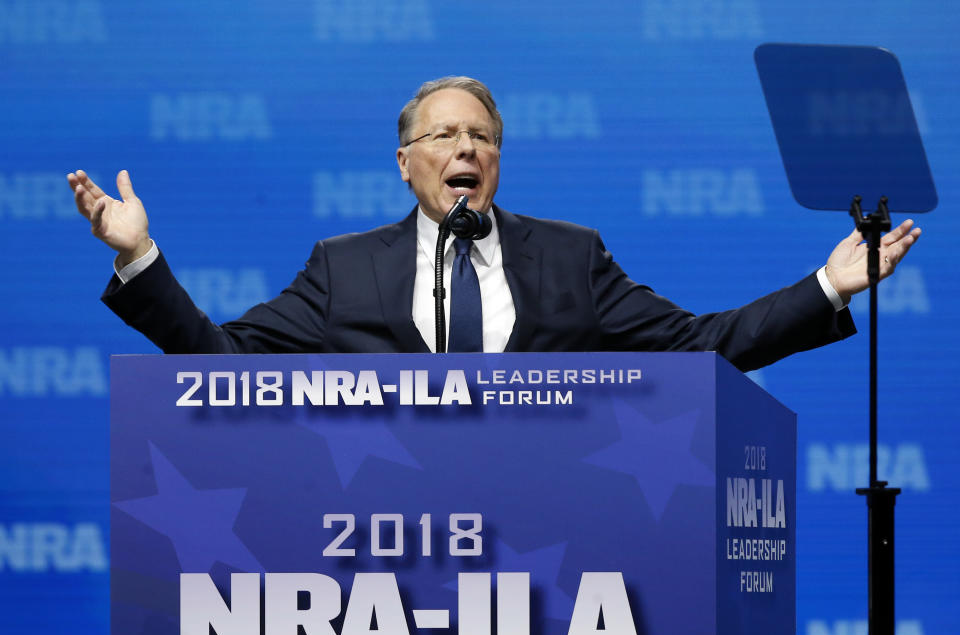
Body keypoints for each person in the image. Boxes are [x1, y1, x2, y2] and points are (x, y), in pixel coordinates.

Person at [66, 77, 920, 371]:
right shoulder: (344, 267)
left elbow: (699, 345)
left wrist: (826, 287)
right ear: (405, 162)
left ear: (499, 160)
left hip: (557, 562)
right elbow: (223, 363)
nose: (465, 147)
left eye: (482, 136)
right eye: (443, 135)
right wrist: (140, 255)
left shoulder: (572, 257)